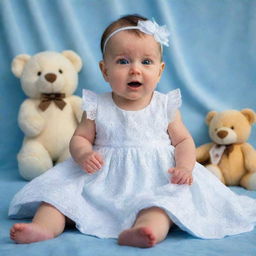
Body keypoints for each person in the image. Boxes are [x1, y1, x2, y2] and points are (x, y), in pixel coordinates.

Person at [9, 14, 256, 248]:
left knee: (163, 206)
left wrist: (184, 167)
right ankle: (44, 227)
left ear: (159, 70)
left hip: (156, 178)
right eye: (123, 61)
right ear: (105, 70)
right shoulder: (96, 105)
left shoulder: (165, 105)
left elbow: (183, 141)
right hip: (101, 179)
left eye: (146, 62)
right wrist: (83, 154)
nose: (135, 69)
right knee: (57, 199)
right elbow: (81, 137)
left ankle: (144, 231)